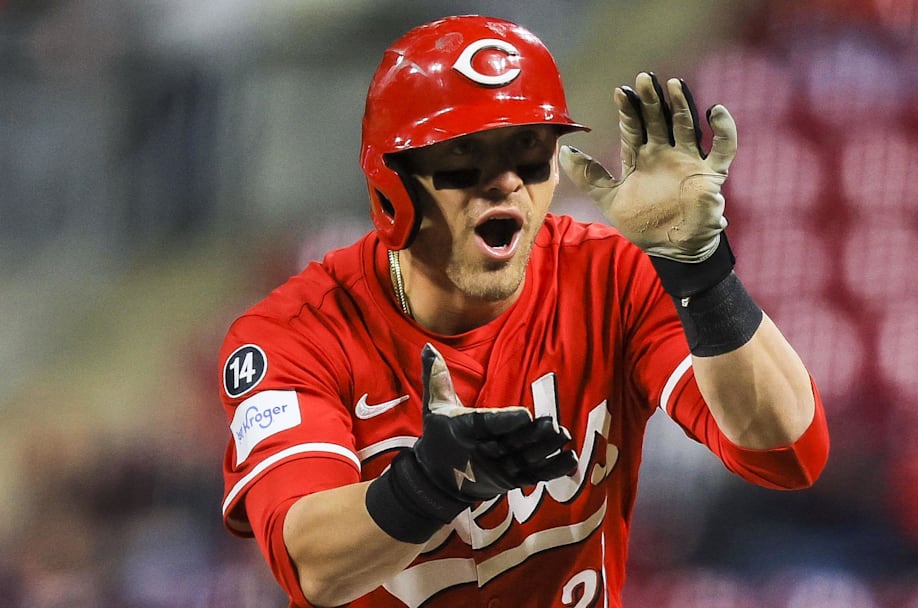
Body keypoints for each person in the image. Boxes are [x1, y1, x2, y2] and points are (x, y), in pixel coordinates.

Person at [217, 14, 830, 608]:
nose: (505, 180)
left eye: (528, 151)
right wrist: (430, 482)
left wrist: (700, 271)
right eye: (465, 157)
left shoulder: (608, 277)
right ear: (392, 184)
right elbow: (311, 568)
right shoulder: (294, 334)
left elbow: (786, 452)